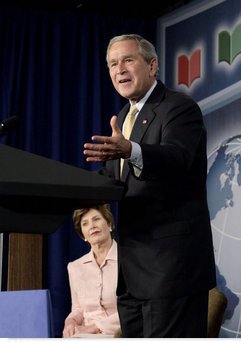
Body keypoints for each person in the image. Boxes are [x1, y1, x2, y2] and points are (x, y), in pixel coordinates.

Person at [83, 34, 216, 338]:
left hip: (171, 271)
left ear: (152, 65)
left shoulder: (178, 108)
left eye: (128, 60)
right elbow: (116, 180)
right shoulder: (128, 117)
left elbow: (177, 157)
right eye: (113, 64)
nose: (120, 69)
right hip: (133, 275)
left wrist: (130, 150)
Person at [62, 204, 120, 338]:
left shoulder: (128, 260)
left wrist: (95, 328)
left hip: (119, 333)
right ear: (83, 234)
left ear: (110, 224)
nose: (92, 226)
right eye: (85, 223)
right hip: (84, 335)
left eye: (96, 219)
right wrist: (70, 321)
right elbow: (78, 309)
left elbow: (132, 307)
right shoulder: (75, 267)